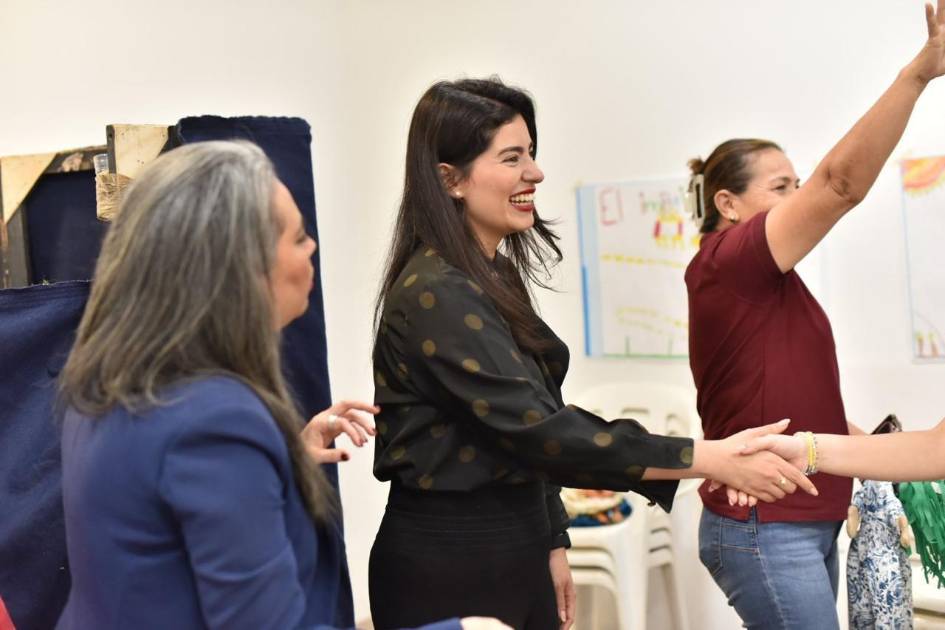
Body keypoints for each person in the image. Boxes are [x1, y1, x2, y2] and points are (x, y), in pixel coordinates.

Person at [368, 77, 816, 630]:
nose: (535, 173)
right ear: (450, 179)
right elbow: (538, 430)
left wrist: (551, 537)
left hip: (516, 542)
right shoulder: (436, 291)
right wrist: (709, 457)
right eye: (512, 157)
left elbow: (530, 422)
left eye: (531, 153)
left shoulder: (491, 274)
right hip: (451, 559)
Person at [56, 140, 508, 630]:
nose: (311, 248)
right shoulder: (217, 421)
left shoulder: (110, 383)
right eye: (298, 238)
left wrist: (275, 463)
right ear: (239, 269)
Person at [683, 2, 945, 628]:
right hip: (765, 521)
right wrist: (918, 73)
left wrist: (880, 457)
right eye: (781, 187)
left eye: (796, 183)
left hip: (806, 516)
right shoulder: (727, 264)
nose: (797, 197)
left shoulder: (776, 285)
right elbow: (840, 185)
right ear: (727, 204)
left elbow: (801, 406)